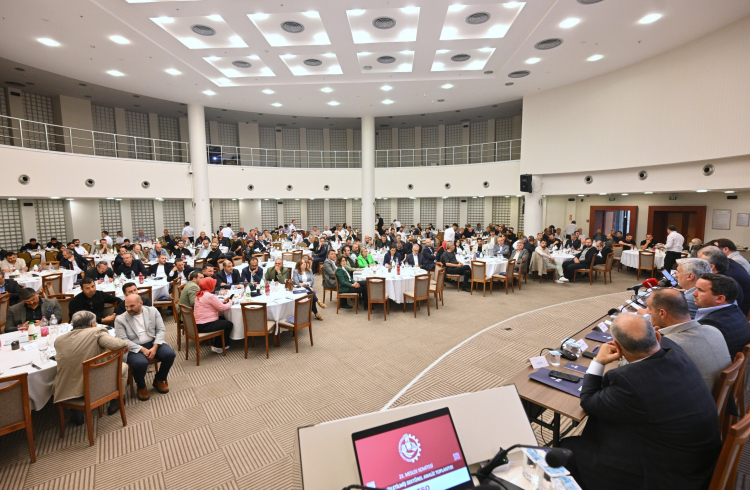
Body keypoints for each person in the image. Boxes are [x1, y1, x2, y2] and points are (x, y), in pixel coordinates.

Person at [561, 313, 721, 490]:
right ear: (657, 336)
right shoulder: (674, 350)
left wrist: (598, 361)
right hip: (700, 461)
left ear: (617, 347)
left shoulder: (630, 381)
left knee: (565, 449)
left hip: (671, 477)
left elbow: (589, 401)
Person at [647, 288, 731, 393]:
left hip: (697, 400)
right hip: (724, 397)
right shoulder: (713, 330)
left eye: (650, 308)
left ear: (662, 313)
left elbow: (641, 374)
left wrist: (649, 337)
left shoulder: (668, 346)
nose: (648, 312)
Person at [54, 311, 129, 423]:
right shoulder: (97, 332)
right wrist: (125, 344)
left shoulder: (59, 340)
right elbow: (117, 344)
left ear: (72, 324)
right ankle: (116, 399)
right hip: (94, 385)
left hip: (68, 387)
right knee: (124, 367)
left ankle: (75, 410)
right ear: (93, 324)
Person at [115, 294, 175, 401]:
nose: (128, 309)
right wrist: (142, 349)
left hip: (153, 343)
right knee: (140, 363)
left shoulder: (152, 311)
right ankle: (141, 386)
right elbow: (123, 339)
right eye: (126, 306)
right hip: (133, 347)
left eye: (132, 306)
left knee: (170, 354)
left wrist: (155, 347)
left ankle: (159, 380)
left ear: (141, 303)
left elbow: (160, 330)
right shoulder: (120, 319)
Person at [694, 273, 750, 359]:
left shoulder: (710, 324)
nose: (694, 293)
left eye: (700, 290)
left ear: (720, 299)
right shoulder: (735, 310)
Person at [698, 246, 750, 316]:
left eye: (700, 264)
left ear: (711, 266)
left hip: (738, 312)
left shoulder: (722, 281)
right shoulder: (725, 269)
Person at [193, 277, 234, 354]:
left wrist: (223, 300)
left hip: (198, 324)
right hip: (205, 325)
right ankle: (218, 346)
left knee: (222, 318)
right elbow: (222, 308)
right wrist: (230, 302)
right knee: (229, 324)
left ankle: (223, 342)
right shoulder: (209, 296)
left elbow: (212, 302)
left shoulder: (200, 293)